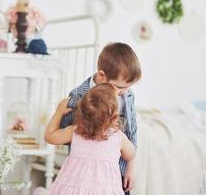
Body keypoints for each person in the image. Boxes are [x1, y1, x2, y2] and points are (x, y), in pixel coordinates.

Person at [60, 42, 142, 194]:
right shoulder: (78, 96)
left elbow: (132, 132)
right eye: (120, 87)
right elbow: (66, 132)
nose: (125, 92)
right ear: (102, 75)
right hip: (85, 177)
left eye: (128, 87)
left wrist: (130, 167)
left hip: (117, 174)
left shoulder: (127, 95)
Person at [45, 83, 136, 194]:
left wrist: (58, 112)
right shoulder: (118, 137)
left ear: (80, 112)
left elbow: (49, 136)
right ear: (114, 117)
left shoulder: (75, 131)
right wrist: (130, 169)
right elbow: (131, 154)